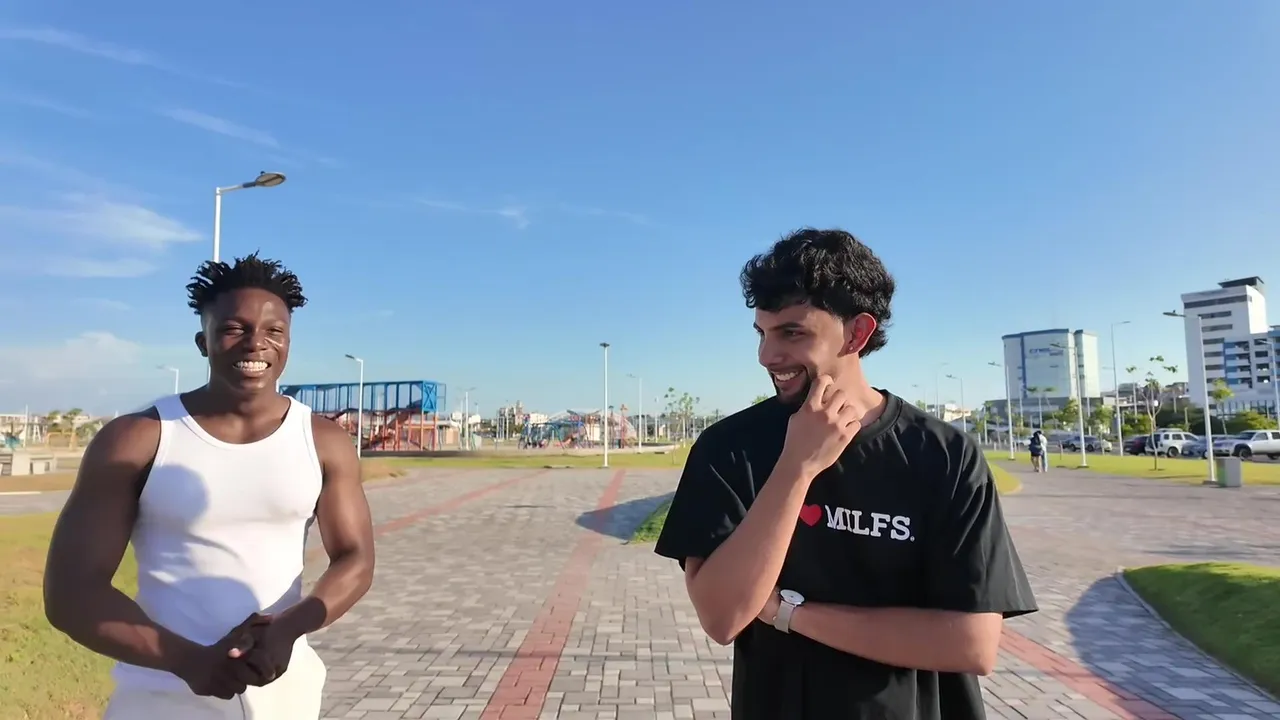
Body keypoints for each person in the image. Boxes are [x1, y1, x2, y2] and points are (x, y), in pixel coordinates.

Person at [654, 228, 1038, 719]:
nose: (767, 356)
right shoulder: (729, 449)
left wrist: (788, 613)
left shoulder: (944, 455)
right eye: (762, 333)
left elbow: (972, 644)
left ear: (856, 334)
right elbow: (722, 616)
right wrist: (797, 467)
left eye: (792, 333)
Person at [44, 253, 377, 719]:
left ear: (288, 342)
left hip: (285, 695)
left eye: (274, 331)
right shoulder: (138, 438)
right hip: (161, 699)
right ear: (204, 342)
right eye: (235, 328)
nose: (256, 343)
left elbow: (356, 557)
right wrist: (189, 661)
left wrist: (286, 629)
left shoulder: (323, 441)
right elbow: (71, 592)